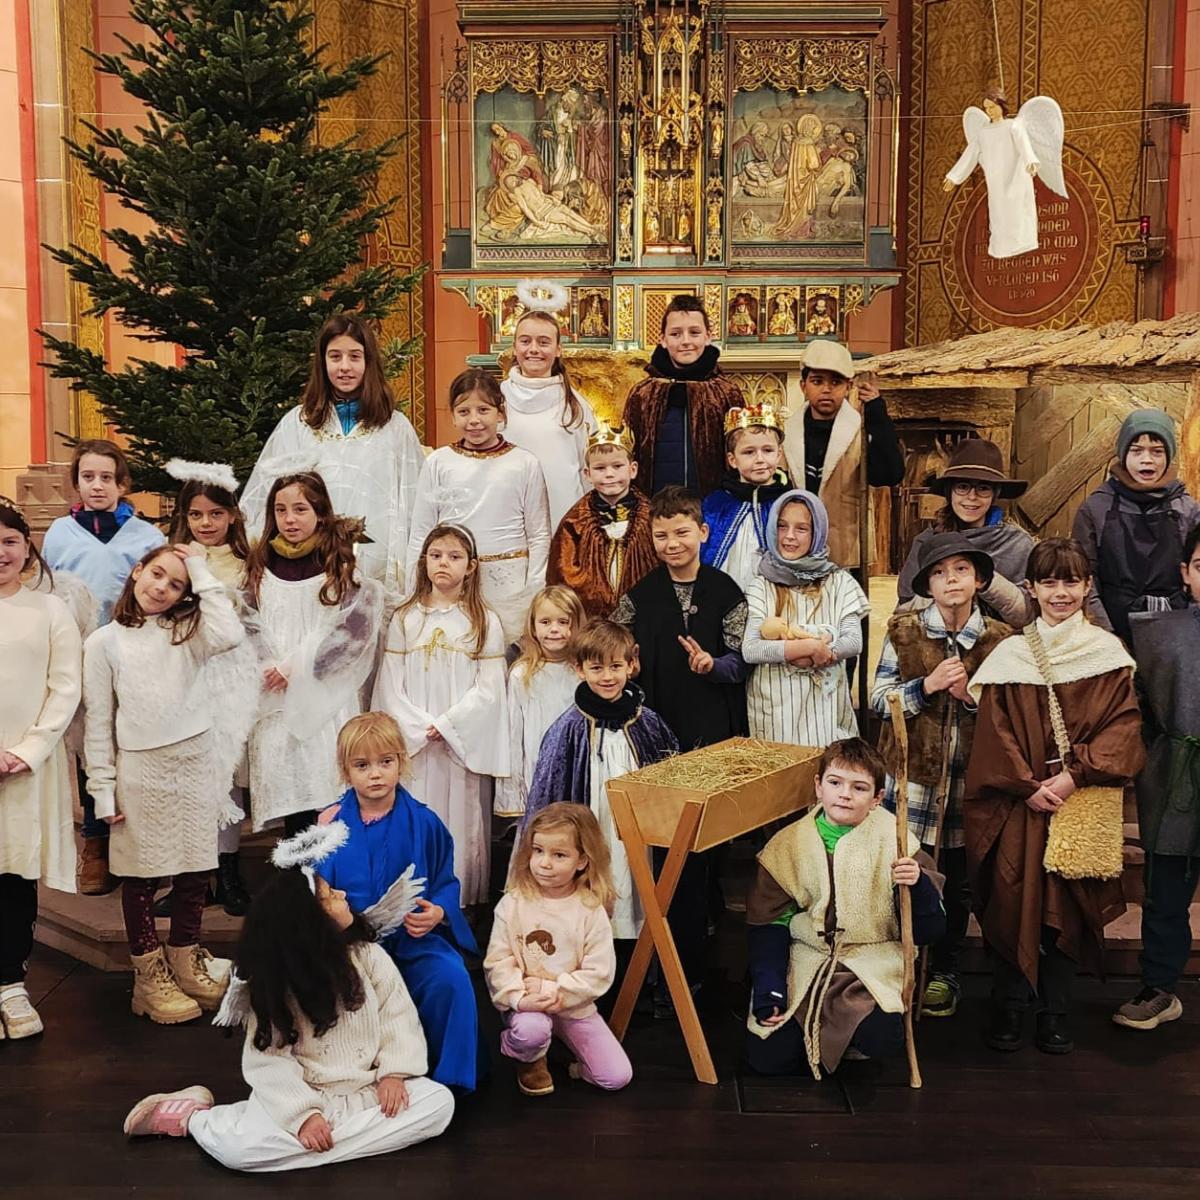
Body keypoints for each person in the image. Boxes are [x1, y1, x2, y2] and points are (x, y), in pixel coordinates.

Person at [123, 821, 454, 1171]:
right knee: (242, 1154)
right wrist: (303, 1117)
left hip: (368, 1091)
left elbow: (397, 1016)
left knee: (438, 1104)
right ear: (308, 924)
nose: (342, 896)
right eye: (330, 895)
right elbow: (267, 1061)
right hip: (308, 1097)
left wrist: (394, 1074)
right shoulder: (275, 985)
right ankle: (193, 1118)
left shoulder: (368, 955)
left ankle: (320, 1145)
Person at [965, 538, 1145, 1055]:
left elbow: (1124, 730)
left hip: (1076, 800)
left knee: (1066, 903)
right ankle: (1010, 1006)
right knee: (1012, 897)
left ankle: (1055, 1011)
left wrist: (1072, 777)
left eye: (1071, 581)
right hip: (1018, 803)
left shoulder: (1108, 655)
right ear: (1031, 588)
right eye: (1049, 581)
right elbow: (994, 732)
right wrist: (1026, 784)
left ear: (1087, 586)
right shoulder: (1013, 655)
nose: (1060, 592)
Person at [83, 543, 247, 1024]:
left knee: (196, 867)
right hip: (140, 767)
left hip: (194, 760)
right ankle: (149, 977)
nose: (162, 588)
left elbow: (231, 633)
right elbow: (98, 722)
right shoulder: (104, 643)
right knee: (141, 874)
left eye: (176, 584)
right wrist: (102, 788)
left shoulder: (188, 630)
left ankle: (186, 957)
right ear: (137, 571)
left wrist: (198, 567)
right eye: (157, 574)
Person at [612, 487, 748, 999]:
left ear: (703, 533)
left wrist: (713, 666)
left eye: (682, 532)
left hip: (711, 732)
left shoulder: (726, 591)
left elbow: (742, 658)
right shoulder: (640, 596)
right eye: (662, 534)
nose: (672, 542)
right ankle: (662, 959)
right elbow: (618, 649)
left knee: (705, 847)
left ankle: (702, 952)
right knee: (662, 847)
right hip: (655, 735)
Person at [871, 533, 1011, 1019]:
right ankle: (898, 961)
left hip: (969, 783)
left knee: (957, 880)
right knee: (907, 870)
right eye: (939, 573)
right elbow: (877, 700)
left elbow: (1013, 716)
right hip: (912, 781)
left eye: (961, 571)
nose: (951, 581)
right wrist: (925, 687)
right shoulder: (904, 630)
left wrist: (975, 699)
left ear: (978, 580)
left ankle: (945, 969)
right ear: (927, 584)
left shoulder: (999, 639)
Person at [745, 739, 944, 1078]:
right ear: (818, 787)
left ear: (878, 798)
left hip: (869, 962)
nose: (845, 794)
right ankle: (821, 1034)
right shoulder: (787, 846)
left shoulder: (898, 842)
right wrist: (770, 988)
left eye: (860, 787)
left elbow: (930, 931)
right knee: (767, 1059)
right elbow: (770, 924)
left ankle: (848, 1034)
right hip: (809, 960)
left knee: (882, 1038)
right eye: (835, 782)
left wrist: (918, 885)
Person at [316, 712, 483, 1094]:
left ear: (401, 764)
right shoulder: (329, 827)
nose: (375, 774)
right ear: (346, 771)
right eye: (362, 765)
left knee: (451, 978)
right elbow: (316, 890)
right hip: (350, 944)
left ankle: (450, 1079)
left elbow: (444, 880)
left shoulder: (426, 823)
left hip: (411, 940)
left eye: (385, 762)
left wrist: (439, 912)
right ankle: (351, 1077)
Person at [42, 439, 165, 894]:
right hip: (80, 657)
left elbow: (166, 592)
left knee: (134, 745)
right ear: (76, 482)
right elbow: (49, 592)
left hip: (135, 656)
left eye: (107, 477)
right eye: (89, 477)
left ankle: (139, 842)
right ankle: (96, 845)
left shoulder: (147, 537)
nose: (98, 486)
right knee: (90, 747)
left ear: (122, 483)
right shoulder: (59, 533)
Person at [241, 314, 425, 596]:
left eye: (355, 356)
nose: (345, 367)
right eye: (335, 356)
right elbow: (267, 495)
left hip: (376, 559)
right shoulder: (298, 423)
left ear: (369, 361)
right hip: (309, 562)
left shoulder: (394, 427)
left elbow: (416, 502)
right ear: (322, 362)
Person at [243, 470, 384, 836]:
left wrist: (299, 665)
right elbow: (246, 620)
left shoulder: (338, 562)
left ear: (320, 512)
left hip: (325, 696)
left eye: (300, 509)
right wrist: (269, 665)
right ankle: (296, 886)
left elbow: (353, 629)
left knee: (327, 795)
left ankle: (333, 886)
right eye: (280, 510)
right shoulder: (260, 563)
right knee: (290, 796)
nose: (289, 520)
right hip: (273, 695)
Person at [374, 524, 508, 907]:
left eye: (454, 557)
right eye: (436, 556)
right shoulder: (404, 619)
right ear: (424, 561)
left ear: (471, 566)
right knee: (415, 815)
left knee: (461, 820)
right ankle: (409, 900)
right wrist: (418, 727)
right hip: (416, 743)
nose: (443, 564)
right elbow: (389, 684)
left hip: (459, 743)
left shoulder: (484, 621)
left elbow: (490, 688)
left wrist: (449, 725)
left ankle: (459, 903)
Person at [523, 620, 679, 941]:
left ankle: (636, 969)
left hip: (638, 834)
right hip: (591, 828)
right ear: (579, 669)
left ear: (631, 666)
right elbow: (546, 794)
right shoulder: (567, 729)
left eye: (615, 667)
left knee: (636, 892)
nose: (607, 677)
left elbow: (672, 777)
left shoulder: (648, 722)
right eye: (596, 668)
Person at [162, 459, 259, 917]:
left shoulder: (247, 561)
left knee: (228, 776)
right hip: (188, 674)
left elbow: (255, 622)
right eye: (197, 515)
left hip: (233, 675)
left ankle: (227, 870)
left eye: (215, 515)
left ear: (233, 515)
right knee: (190, 773)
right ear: (185, 516)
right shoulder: (173, 559)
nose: (206, 523)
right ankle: (191, 877)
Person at [0, 501, 82, 1039]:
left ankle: (11, 984)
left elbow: (65, 686)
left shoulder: (50, 611)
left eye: (8, 541)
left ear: (27, 548)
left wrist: (25, 750)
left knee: (13, 873)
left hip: (23, 768)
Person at [1114, 524, 1200, 1031]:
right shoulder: (1157, 631)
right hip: (1174, 771)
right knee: (1166, 886)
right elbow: (1137, 707)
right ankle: (1160, 987)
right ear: (1186, 573)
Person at [486, 802, 632, 1096]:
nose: (544, 863)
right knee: (531, 1031)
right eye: (538, 851)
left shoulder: (590, 910)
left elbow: (598, 973)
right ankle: (525, 1054)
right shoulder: (514, 902)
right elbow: (498, 961)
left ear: (582, 860)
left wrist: (553, 990)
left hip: (573, 1006)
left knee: (616, 1077)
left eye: (559, 855)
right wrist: (518, 998)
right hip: (528, 1006)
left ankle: (563, 1050)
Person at [406, 368, 551, 643]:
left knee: (502, 656)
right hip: (451, 580)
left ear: (501, 413)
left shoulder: (524, 463)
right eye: (464, 412)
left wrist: (534, 587)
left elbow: (539, 533)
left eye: (483, 410)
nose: (474, 420)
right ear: (452, 414)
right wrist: (415, 587)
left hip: (509, 584)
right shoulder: (439, 462)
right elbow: (421, 531)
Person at [742, 489, 870, 747]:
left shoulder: (839, 582)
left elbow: (854, 641)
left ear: (817, 533)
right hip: (775, 712)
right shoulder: (761, 585)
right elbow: (751, 648)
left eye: (802, 529)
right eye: (782, 526)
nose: (789, 536)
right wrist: (805, 646)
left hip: (826, 711)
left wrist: (824, 652)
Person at [1072, 409, 1200, 644]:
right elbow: (1084, 578)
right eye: (1136, 450)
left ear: (1168, 456)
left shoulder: (1187, 509)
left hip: (1176, 629)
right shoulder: (1095, 508)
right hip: (1113, 627)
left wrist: (1187, 631)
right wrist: (1106, 636)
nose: (1147, 459)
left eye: (1157, 451)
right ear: (1123, 454)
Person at [781, 340, 904, 568]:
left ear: (848, 386)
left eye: (835, 382)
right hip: (797, 547)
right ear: (803, 386)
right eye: (817, 381)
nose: (826, 390)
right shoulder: (787, 431)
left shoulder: (860, 429)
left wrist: (877, 413)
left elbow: (888, 475)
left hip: (847, 548)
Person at [622, 295, 745, 494]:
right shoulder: (643, 393)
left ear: (708, 336)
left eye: (694, 332)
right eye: (676, 334)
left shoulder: (726, 392)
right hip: (656, 506)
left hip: (712, 505)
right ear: (662, 339)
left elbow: (740, 451)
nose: (686, 341)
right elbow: (630, 454)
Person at [897, 438, 1034, 615]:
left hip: (1002, 639)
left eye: (983, 488)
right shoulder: (927, 542)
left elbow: (1029, 612)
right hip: (937, 638)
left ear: (995, 494)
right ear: (949, 491)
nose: (972, 497)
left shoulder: (1017, 544)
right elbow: (905, 608)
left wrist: (985, 579)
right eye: (962, 487)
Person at [547, 420, 656, 618]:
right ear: (587, 474)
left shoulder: (650, 516)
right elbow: (563, 570)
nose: (609, 474)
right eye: (600, 468)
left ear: (633, 469)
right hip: (592, 620)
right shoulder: (575, 521)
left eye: (617, 466)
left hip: (642, 617)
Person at [495, 585, 586, 821]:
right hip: (536, 774)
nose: (554, 630)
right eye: (545, 622)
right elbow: (513, 735)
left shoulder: (584, 673)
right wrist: (513, 793)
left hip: (578, 772)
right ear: (533, 627)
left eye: (563, 622)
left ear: (576, 625)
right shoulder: (522, 674)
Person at [501, 309, 598, 529]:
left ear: (558, 350)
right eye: (525, 341)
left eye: (544, 342)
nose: (533, 349)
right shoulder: (496, 401)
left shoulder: (575, 406)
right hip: (507, 518)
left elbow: (589, 469)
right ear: (514, 347)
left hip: (565, 519)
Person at [700, 403, 792, 594]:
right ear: (732, 460)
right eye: (749, 452)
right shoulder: (716, 504)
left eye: (767, 450)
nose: (760, 459)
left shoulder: (788, 504)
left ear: (779, 454)